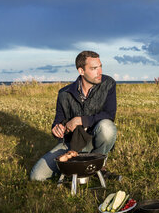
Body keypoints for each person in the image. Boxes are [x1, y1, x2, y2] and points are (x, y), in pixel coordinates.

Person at [30, 50, 117, 181]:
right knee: (36, 176)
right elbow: (58, 121)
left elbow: (109, 115)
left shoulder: (108, 84)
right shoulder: (64, 93)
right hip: (71, 145)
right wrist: (56, 129)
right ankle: (77, 165)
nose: (99, 72)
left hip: (95, 140)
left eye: (100, 66)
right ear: (81, 71)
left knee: (107, 127)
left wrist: (80, 120)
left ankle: (98, 164)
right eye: (94, 68)